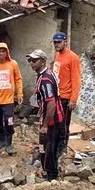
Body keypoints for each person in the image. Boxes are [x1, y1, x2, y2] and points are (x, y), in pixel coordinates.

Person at [27, 49, 64, 181]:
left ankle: (51, 177)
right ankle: (48, 171)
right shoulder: (47, 74)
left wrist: (45, 125)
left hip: (52, 120)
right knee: (47, 146)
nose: (31, 63)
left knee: (49, 149)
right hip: (53, 118)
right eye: (30, 60)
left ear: (43, 61)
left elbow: (51, 104)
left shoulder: (45, 80)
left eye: (34, 60)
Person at [51, 31, 81, 157]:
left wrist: (73, 99)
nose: (57, 44)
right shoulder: (57, 55)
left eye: (59, 42)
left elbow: (76, 79)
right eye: (55, 42)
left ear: (65, 42)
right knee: (55, 124)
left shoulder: (73, 58)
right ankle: (54, 146)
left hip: (66, 97)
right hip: (56, 95)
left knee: (63, 125)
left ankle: (62, 149)